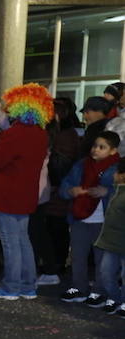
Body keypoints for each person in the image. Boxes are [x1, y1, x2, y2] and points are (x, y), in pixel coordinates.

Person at [0, 83, 54, 301]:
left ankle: (11, 287)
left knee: (10, 242)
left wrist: (3, 134)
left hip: (7, 196)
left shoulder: (15, 134)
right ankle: (28, 285)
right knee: (23, 240)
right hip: (26, 196)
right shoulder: (40, 134)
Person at [58, 131, 120, 306]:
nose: (96, 150)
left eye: (102, 147)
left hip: (104, 220)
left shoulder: (117, 169)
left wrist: (107, 191)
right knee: (78, 255)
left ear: (113, 151)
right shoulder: (82, 165)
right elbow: (65, 185)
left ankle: (99, 291)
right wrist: (71, 191)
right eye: (95, 146)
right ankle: (79, 286)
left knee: (102, 259)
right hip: (80, 217)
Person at [94, 158, 125, 317]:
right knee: (106, 272)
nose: (113, 174)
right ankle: (115, 298)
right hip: (111, 242)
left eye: (116, 172)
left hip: (120, 241)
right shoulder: (115, 191)